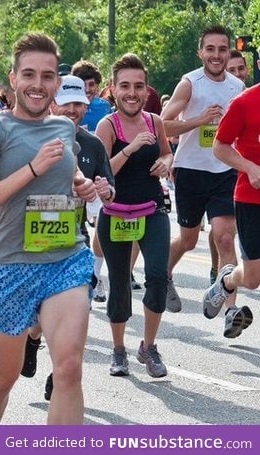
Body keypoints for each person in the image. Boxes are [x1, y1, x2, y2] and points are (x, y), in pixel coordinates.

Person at [0, 32, 98, 425]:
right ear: (13, 79)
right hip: (10, 264)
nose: (37, 85)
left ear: (56, 83)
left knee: (69, 368)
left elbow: (68, 168)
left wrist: (79, 183)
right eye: (28, 75)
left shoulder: (64, 128)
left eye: (45, 77)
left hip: (65, 259)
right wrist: (33, 169)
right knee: (3, 378)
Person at [22, 74, 115, 399]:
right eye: (67, 102)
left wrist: (105, 190)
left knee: (71, 317)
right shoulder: (28, 139)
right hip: (31, 245)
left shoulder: (92, 144)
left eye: (79, 103)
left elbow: (109, 190)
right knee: (40, 315)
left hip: (73, 248)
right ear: (52, 101)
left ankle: (58, 371)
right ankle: (32, 341)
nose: (73, 110)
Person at [161, 25, 249, 338]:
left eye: (222, 49)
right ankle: (164, 275)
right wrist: (200, 119)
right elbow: (163, 127)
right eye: (210, 49)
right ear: (201, 53)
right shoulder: (189, 83)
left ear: (229, 53)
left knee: (225, 237)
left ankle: (229, 311)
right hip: (190, 171)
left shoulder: (237, 86)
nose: (216, 55)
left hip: (225, 171)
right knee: (187, 239)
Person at [95, 53, 174, 378]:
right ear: (113, 89)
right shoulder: (107, 125)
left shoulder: (155, 121)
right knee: (119, 283)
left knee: (157, 277)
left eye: (138, 86)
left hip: (152, 210)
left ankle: (149, 347)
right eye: (125, 86)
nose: (132, 93)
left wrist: (166, 163)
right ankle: (118, 350)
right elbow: (101, 173)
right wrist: (129, 149)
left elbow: (168, 152)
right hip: (115, 213)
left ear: (146, 90)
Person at [202, 78, 259, 337]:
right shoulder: (245, 102)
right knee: (252, 279)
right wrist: (249, 167)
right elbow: (219, 145)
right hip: (251, 199)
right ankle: (226, 279)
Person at [71, 60, 112, 132]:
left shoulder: (105, 107)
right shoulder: (67, 109)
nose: (87, 89)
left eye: (91, 84)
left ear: (97, 85)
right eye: (83, 85)